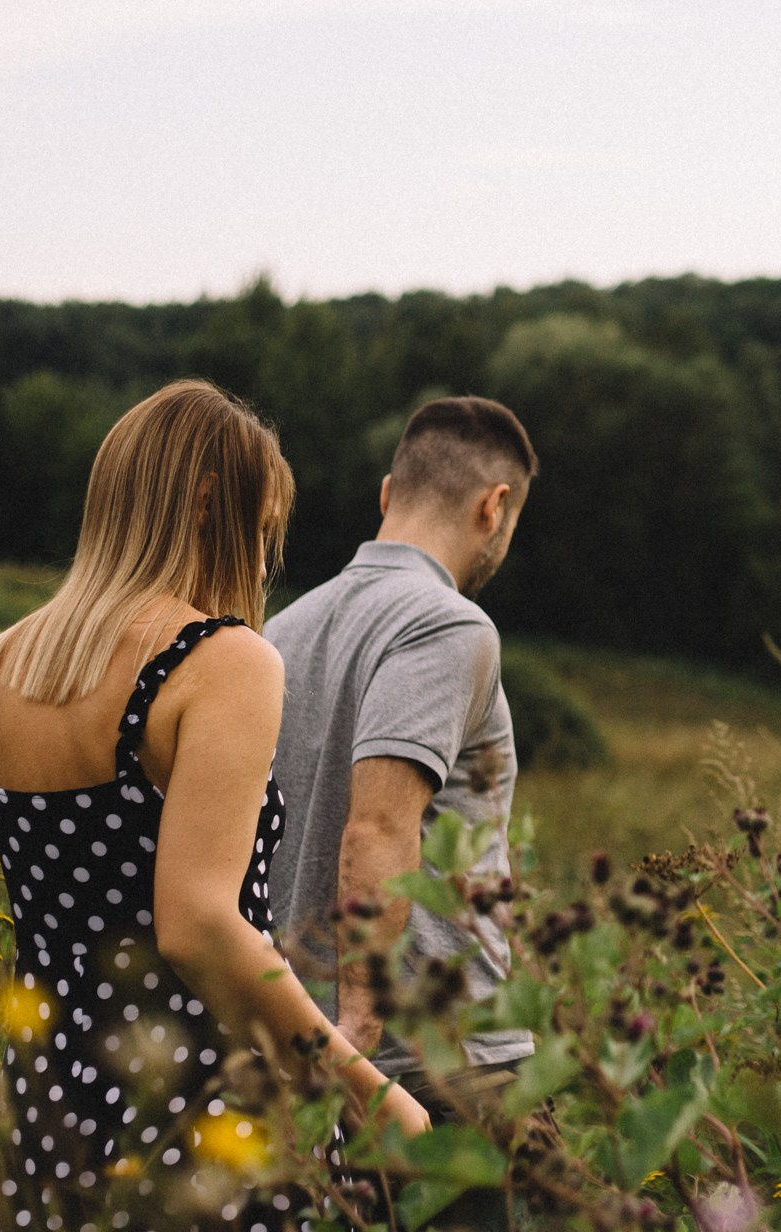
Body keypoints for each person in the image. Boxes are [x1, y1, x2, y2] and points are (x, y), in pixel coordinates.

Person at [0, 380, 428, 1232]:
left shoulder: (2, 667)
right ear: (211, 505)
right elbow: (198, 926)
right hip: (198, 1107)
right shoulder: (221, 662)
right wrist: (364, 1089)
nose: (260, 566)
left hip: (44, 1107)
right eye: (259, 533)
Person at [265, 396, 536, 1115]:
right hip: (432, 1063)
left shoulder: (277, 634)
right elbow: (379, 828)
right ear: (494, 506)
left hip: (296, 1053)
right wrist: (357, 1024)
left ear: (388, 495)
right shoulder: (448, 624)